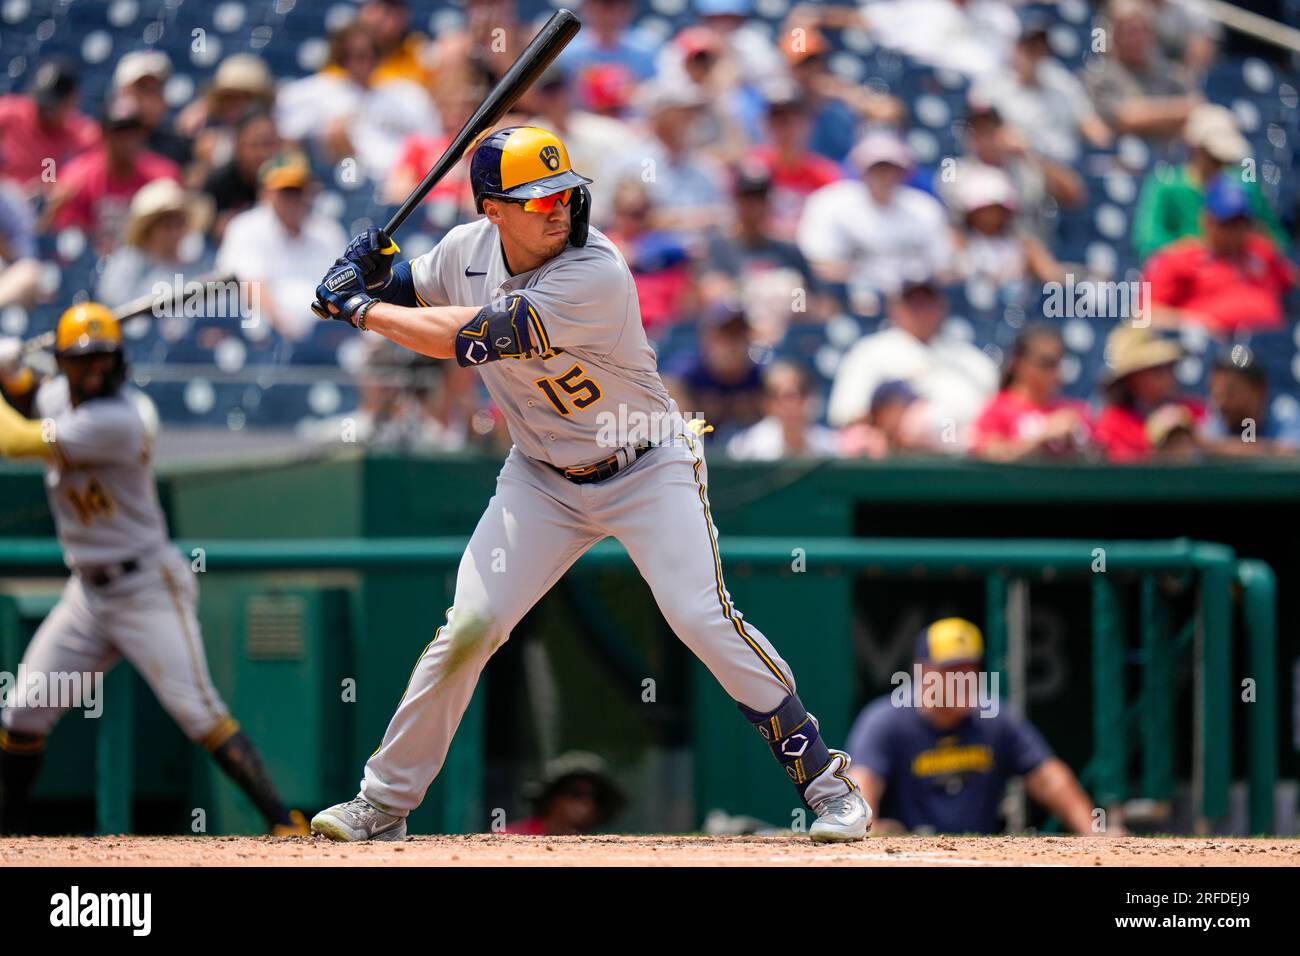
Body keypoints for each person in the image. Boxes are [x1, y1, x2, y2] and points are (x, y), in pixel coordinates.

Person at [308, 125, 871, 843]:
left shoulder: (595, 271)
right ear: (491, 209)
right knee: (471, 627)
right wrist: (370, 271)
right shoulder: (463, 252)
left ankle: (830, 787)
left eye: (563, 195)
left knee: (702, 619)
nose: (556, 210)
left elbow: (462, 337)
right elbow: (412, 290)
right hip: (540, 478)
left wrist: (358, 306)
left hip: (644, 465)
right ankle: (382, 805)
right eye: (535, 200)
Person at [0, 305, 308, 837]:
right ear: (65, 364)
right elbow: (32, 396)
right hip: (88, 594)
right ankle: (13, 834)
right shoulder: (61, 395)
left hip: (146, 585)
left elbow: (15, 440)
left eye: (104, 358)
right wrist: (11, 375)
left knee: (199, 713)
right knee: (23, 713)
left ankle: (284, 823)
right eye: (83, 360)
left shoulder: (121, 417)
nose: (95, 370)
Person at [845, 618, 1105, 835]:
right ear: (923, 673)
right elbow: (863, 781)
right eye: (951, 671)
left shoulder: (995, 718)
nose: (964, 680)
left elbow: (1048, 778)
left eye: (971, 669)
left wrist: (1094, 832)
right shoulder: (885, 720)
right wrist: (872, 827)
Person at [827, 276, 997, 447]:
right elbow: (847, 415)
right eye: (913, 304)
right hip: (895, 459)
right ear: (895, 309)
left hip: (966, 455)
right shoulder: (868, 352)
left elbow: (997, 415)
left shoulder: (972, 359)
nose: (921, 311)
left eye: (927, 303)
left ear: (942, 308)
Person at [275, 23, 441, 182]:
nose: (365, 62)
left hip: (401, 179)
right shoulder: (321, 91)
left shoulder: (406, 94)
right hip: (349, 177)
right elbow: (288, 135)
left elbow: (432, 142)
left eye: (372, 55)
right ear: (342, 58)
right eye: (358, 56)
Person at [797, 131, 953, 295]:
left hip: (912, 298)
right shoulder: (831, 202)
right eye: (877, 169)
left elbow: (943, 267)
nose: (885, 176)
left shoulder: (924, 208)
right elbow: (819, 264)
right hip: (849, 296)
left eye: (892, 169)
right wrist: (868, 278)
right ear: (860, 170)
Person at [215, 151, 348, 341]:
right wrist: (289, 331)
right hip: (268, 337)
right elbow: (252, 287)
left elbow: (343, 286)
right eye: (285, 191)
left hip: (324, 334)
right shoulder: (246, 228)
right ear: (265, 193)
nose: (292, 198)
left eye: (298, 190)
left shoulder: (327, 231)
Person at [1145, 174, 1295, 336]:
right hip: (1213, 352)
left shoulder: (1261, 251)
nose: (1236, 230)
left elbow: (1291, 281)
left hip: (1271, 345)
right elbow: (1147, 316)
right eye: (1228, 223)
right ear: (1207, 221)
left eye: (1241, 222)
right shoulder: (1178, 259)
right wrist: (1196, 323)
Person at [1132, 104, 1285, 261]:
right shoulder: (1166, 186)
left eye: (1226, 160)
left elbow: (1275, 241)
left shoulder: (1245, 187)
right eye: (1215, 158)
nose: (1221, 165)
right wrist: (1198, 255)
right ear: (1195, 149)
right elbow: (1148, 243)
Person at [44, 93, 182, 253]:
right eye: (119, 132)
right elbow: (70, 240)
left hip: (149, 261)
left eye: (133, 131)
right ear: (103, 135)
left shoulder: (163, 177)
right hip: (94, 264)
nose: (128, 140)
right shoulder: (78, 177)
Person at [970, 17, 1111, 167]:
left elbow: (1094, 128)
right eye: (1030, 48)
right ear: (1015, 49)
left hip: (1069, 164)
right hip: (1023, 167)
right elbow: (981, 133)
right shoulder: (993, 88)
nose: (1035, 56)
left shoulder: (1062, 82)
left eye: (1041, 49)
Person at [940, 100, 1084, 241]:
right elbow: (954, 226)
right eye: (978, 131)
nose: (985, 139)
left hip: (1030, 247)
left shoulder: (1026, 168)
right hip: (981, 251)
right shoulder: (955, 172)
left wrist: (1029, 152)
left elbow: (1074, 196)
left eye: (990, 130)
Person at [971, 325, 1092, 461]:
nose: (1055, 373)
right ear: (1018, 363)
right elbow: (988, 453)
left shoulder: (1073, 411)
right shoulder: (997, 409)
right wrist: (1041, 436)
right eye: (1046, 363)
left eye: (1058, 364)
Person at [1084, 0, 1199, 142]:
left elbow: (1196, 107)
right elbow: (1127, 118)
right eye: (1131, 32)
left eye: (1143, 31)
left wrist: (1147, 114)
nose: (1138, 39)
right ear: (1115, 35)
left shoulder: (1168, 73)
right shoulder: (1099, 75)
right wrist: (1175, 113)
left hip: (1170, 157)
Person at [1093, 324, 1204, 463]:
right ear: (1131, 380)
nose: (1168, 374)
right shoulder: (1111, 423)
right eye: (1157, 370)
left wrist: (1196, 440)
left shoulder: (1195, 411)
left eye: (1170, 366)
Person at [96, 178, 211, 307]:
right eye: (167, 224)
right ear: (148, 229)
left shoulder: (197, 264)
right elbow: (113, 302)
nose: (174, 231)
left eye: (179, 223)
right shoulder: (129, 263)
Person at [663, 302, 766, 439]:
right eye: (726, 334)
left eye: (740, 334)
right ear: (708, 338)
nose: (733, 343)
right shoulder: (688, 372)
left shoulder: (760, 374)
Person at [950, 166, 1064, 287]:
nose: (990, 215)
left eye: (996, 208)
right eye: (984, 209)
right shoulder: (957, 242)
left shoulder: (1025, 247)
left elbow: (1054, 278)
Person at [0, 58, 99, 193]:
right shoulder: (7, 114)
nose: (44, 111)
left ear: (72, 101)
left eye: (51, 106)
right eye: (42, 102)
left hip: (51, 209)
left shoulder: (83, 136)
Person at [726, 361, 839, 461]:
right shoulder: (746, 449)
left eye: (800, 393)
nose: (791, 404)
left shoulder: (832, 447)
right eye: (780, 396)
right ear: (766, 403)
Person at [1201, 346, 1300, 456]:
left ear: (1260, 391)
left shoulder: (1285, 416)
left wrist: (1209, 446)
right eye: (1216, 393)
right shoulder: (1217, 423)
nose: (1222, 403)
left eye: (1231, 392)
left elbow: (1291, 452)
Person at [200, 109, 280, 243]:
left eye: (267, 144)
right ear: (238, 145)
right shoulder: (218, 183)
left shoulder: (290, 181)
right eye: (254, 145)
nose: (261, 153)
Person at [503, 751, 627, 835]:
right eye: (575, 794)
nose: (587, 803)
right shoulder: (508, 839)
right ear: (549, 799)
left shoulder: (603, 852)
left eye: (597, 797)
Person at [111, 50, 191, 168]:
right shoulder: (95, 141)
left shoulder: (178, 148)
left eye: (155, 89)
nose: (148, 100)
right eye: (142, 88)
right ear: (121, 93)